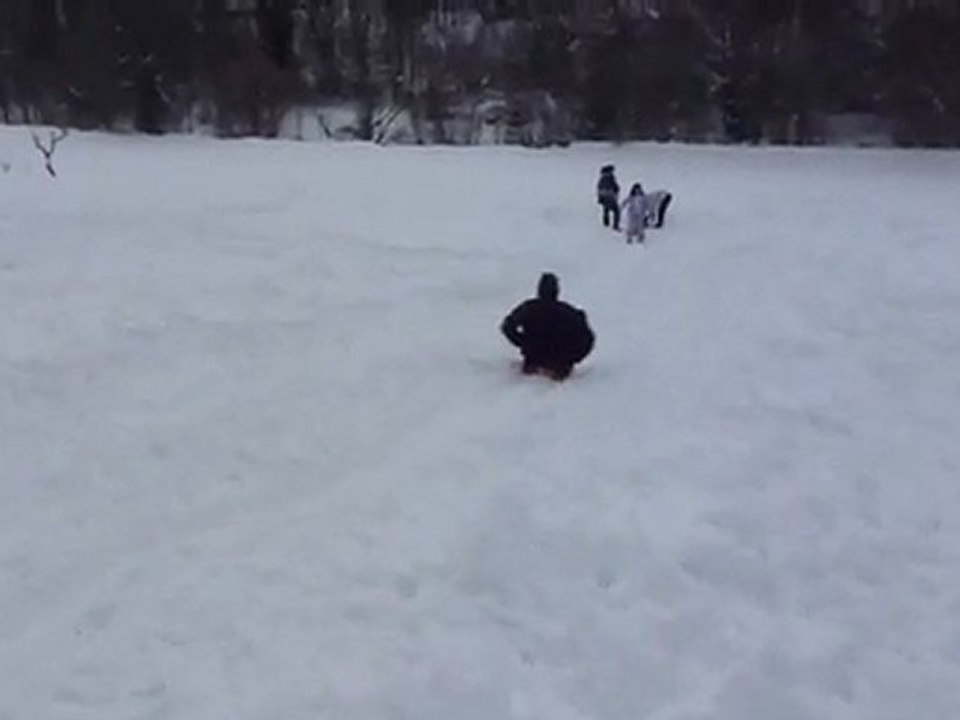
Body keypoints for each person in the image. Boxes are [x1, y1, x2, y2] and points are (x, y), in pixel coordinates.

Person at [501, 272, 595, 381]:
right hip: (560, 367)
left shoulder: (529, 308)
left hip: (533, 362)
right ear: (557, 291)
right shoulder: (569, 312)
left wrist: (523, 342)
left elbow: (507, 327)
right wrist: (573, 357)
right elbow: (588, 338)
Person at [596, 164, 620, 230]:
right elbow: (614, 187)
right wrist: (616, 190)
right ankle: (615, 225)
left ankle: (606, 223)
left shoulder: (602, 179)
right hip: (610, 197)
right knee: (616, 211)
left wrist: (600, 197)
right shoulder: (609, 178)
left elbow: (599, 188)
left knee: (606, 209)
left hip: (605, 197)